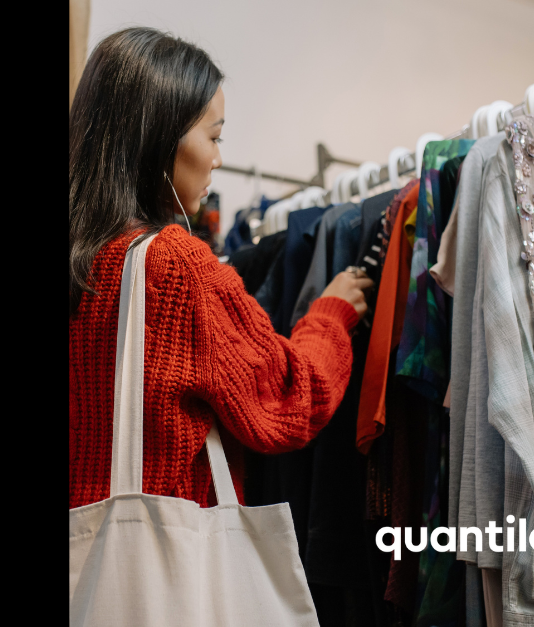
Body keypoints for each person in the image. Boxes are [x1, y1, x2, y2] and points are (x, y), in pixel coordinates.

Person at [69, 27, 371, 509]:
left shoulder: (87, 259)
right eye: (213, 136)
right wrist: (331, 316)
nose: (217, 158)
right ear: (159, 135)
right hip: (158, 569)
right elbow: (288, 400)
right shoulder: (172, 267)